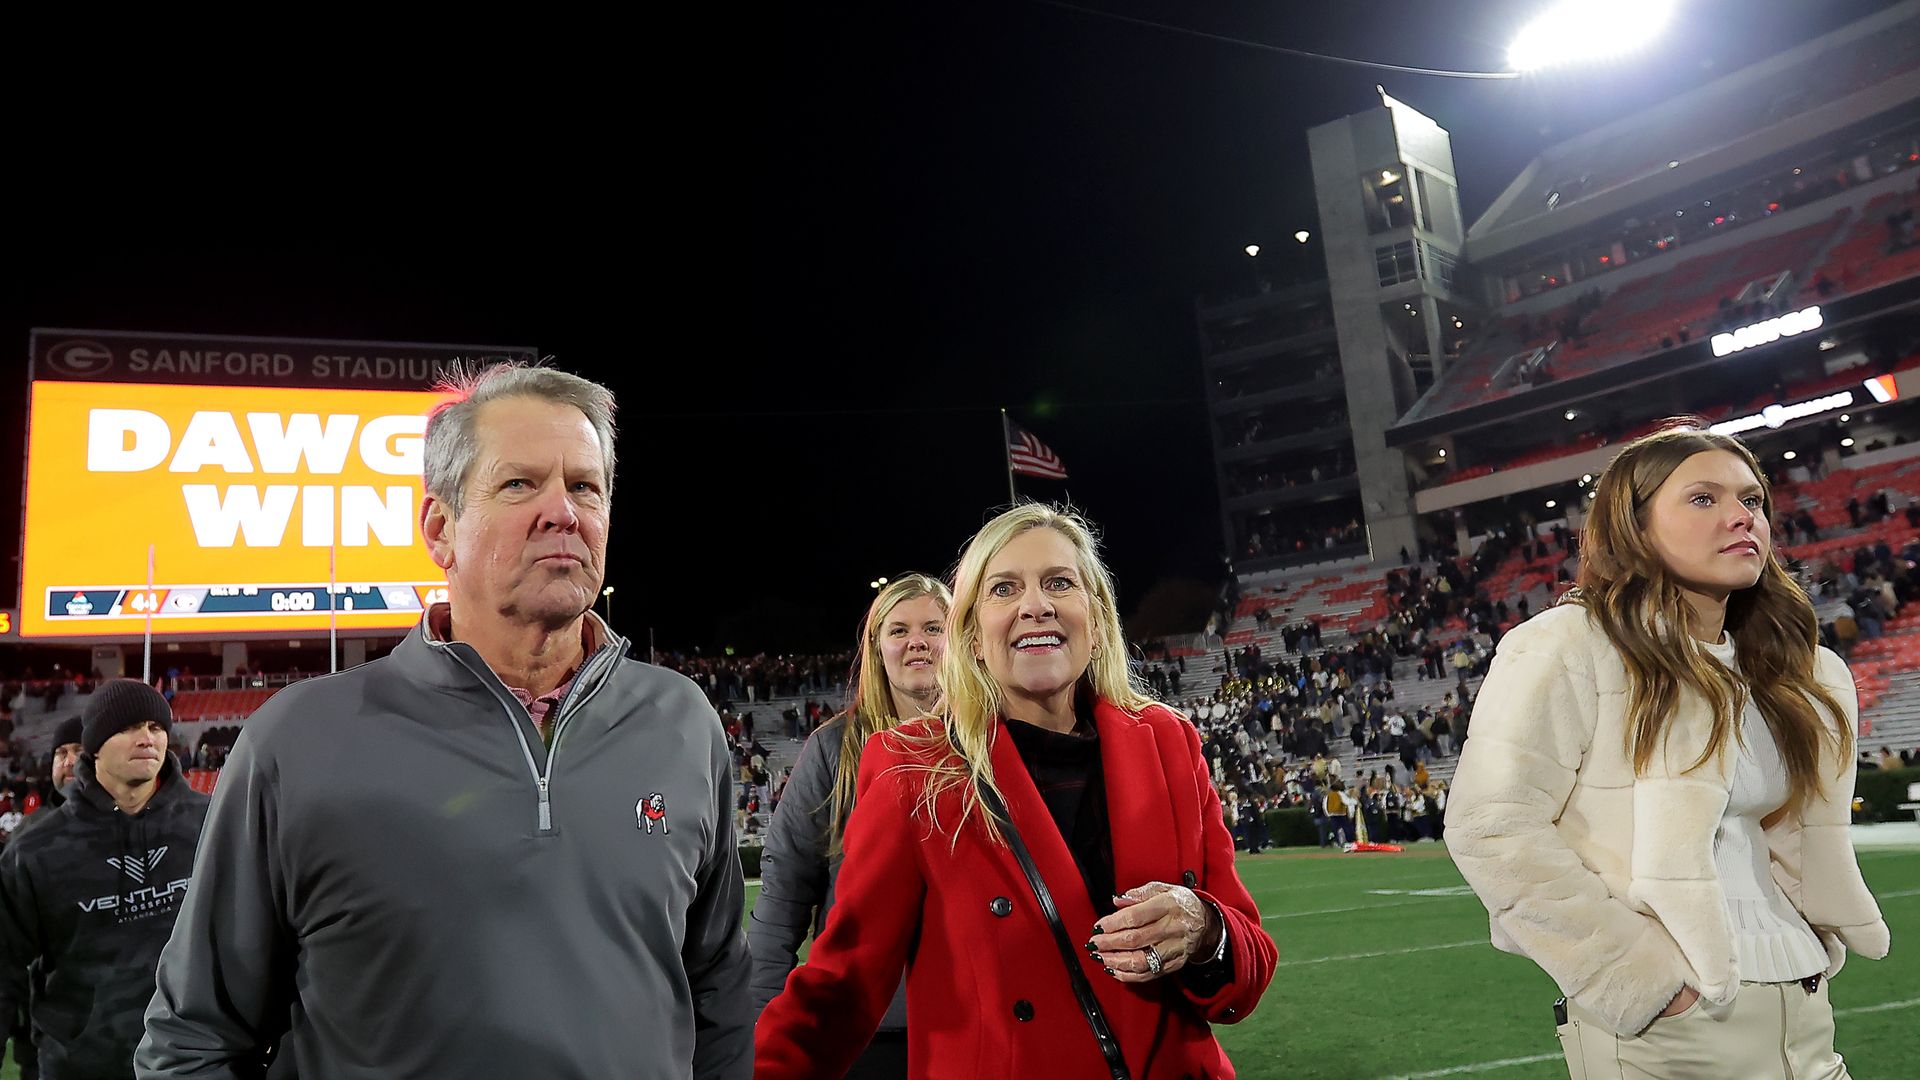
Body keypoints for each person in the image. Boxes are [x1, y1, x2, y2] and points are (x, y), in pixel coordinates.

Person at [137, 363, 752, 1079]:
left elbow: (718, 991)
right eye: (520, 484)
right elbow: (194, 1038)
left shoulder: (681, 722)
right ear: (440, 527)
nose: (564, 511)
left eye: (585, 486)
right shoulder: (299, 740)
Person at [757, 504, 1276, 1078]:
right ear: (973, 638)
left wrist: (1205, 929)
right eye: (1005, 588)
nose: (1036, 605)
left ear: (1098, 621)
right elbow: (839, 991)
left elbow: (1249, 963)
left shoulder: (1169, 743)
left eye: (1059, 582)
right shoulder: (913, 768)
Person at [1447, 425, 1888, 1079]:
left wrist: (1810, 938)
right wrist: (1640, 980)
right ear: (1636, 526)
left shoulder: (1800, 672)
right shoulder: (1568, 646)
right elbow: (1493, 828)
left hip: (1805, 1008)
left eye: (1753, 500)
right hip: (1673, 1028)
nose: (1742, 517)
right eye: (1704, 499)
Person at [749, 573, 951, 1079]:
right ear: (877, 647)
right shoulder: (832, 750)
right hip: (864, 1029)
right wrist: (755, 1020)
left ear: (963, 638)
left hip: (972, 1021)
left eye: (934, 626)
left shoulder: (996, 745)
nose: (916, 642)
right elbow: (785, 892)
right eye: (898, 630)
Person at [0, 680, 210, 1079]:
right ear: (94, 745)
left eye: (155, 727)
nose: (147, 738)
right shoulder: (38, 849)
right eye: (128, 727)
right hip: (82, 1064)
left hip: (196, 1062)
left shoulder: (213, 824)